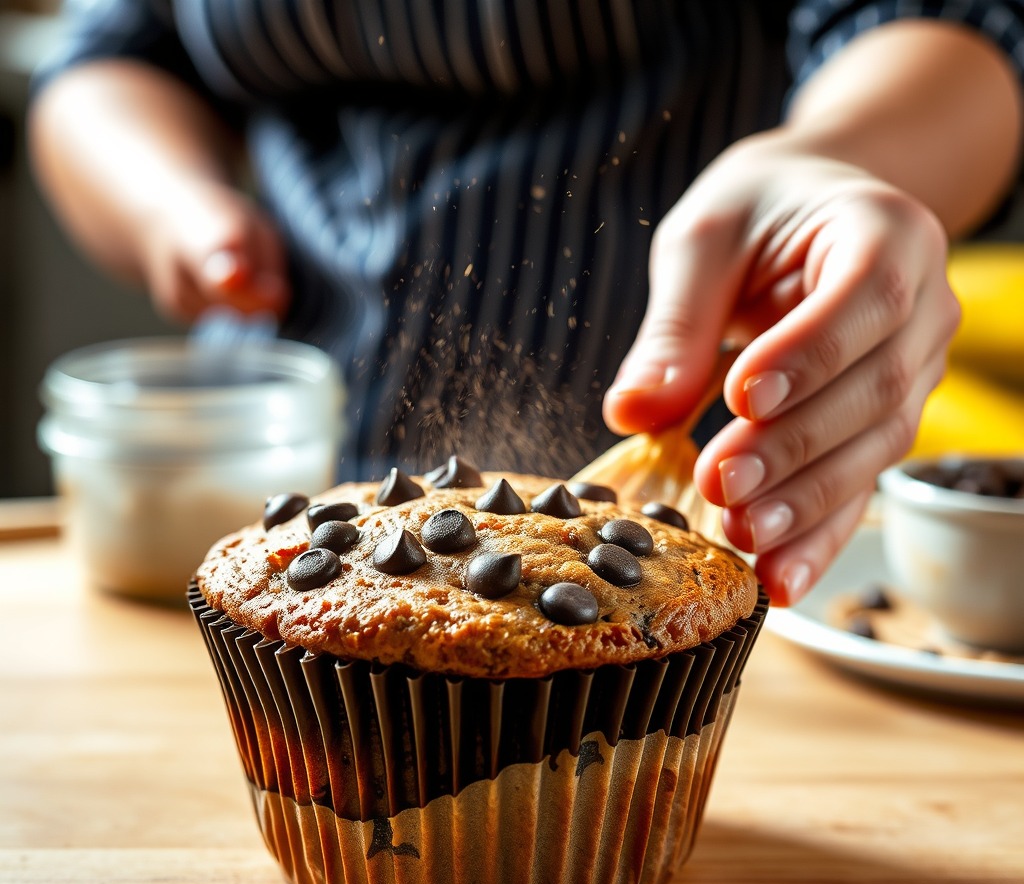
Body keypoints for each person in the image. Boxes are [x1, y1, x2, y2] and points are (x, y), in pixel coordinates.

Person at [28, 1, 1024, 607]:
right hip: (269, 500)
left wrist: (833, 161)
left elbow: (945, 21)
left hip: (689, 506)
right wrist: (169, 205)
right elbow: (114, 52)